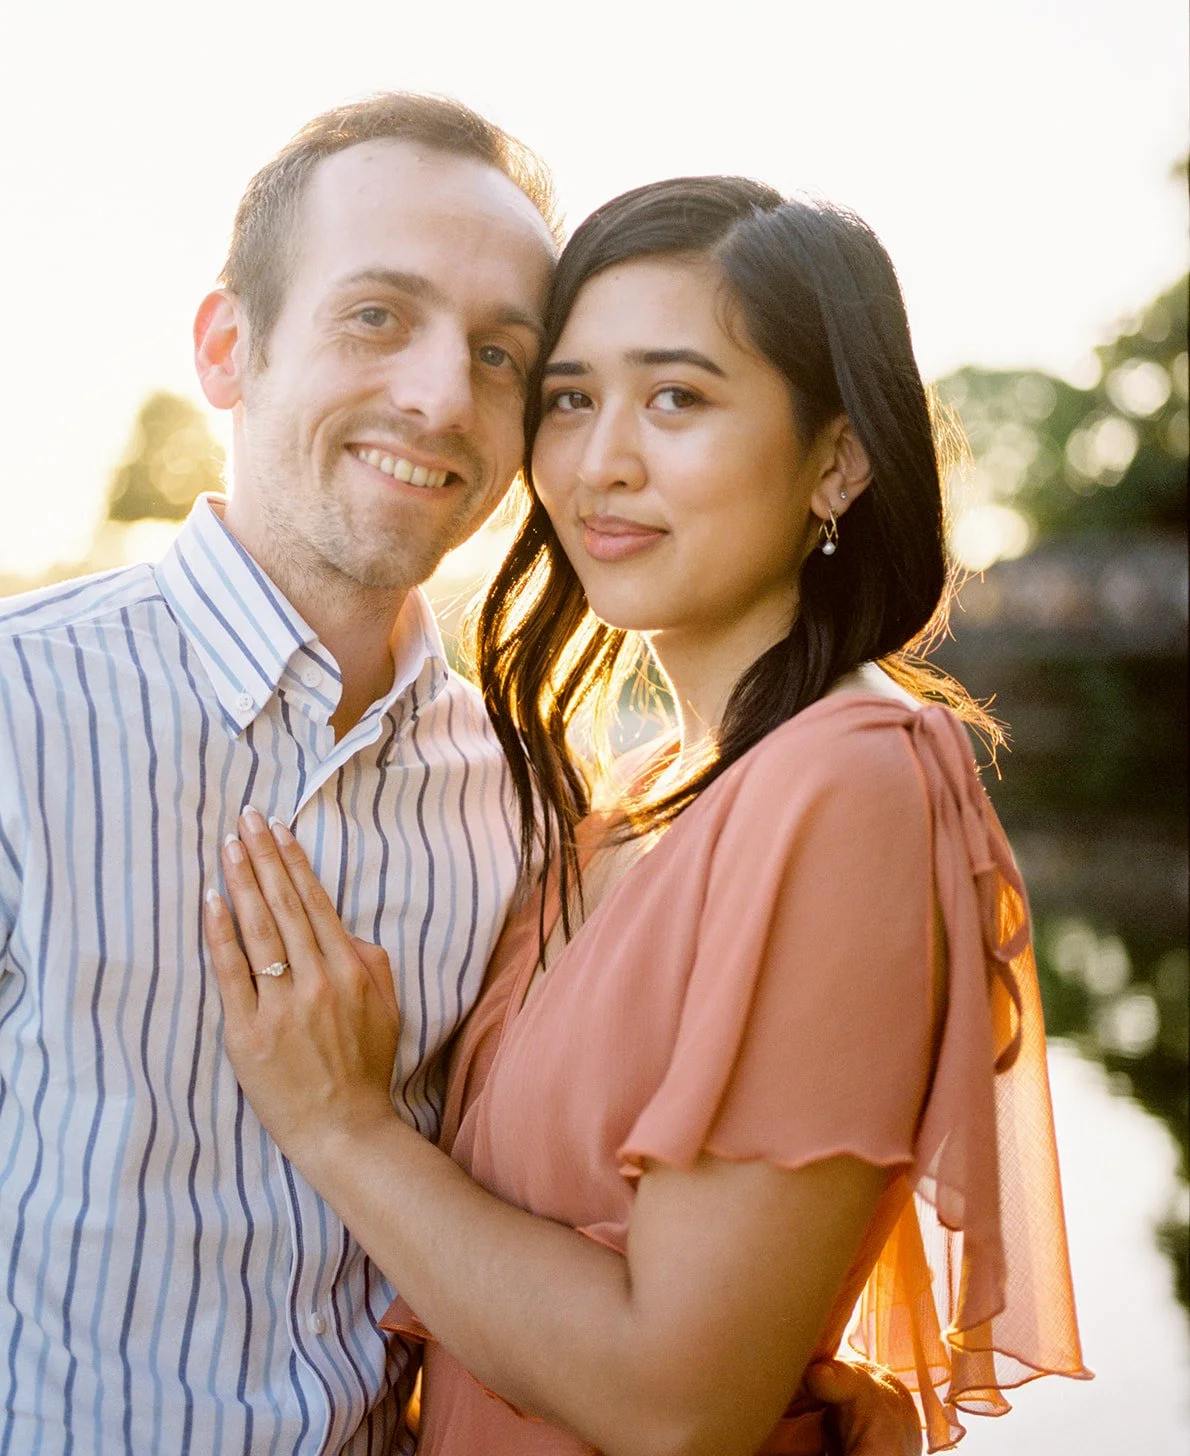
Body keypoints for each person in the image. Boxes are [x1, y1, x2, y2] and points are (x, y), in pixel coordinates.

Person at [0, 102, 914, 1454]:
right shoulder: (22, 714)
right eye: (378, 315)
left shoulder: (531, 792)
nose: (440, 396)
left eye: (501, 355)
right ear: (227, 347)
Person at [204, 177, 1090, 1455]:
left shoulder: (850, 780)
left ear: (834, 458)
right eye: (568, 398)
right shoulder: (618, 804)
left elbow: (673, 1402)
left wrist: (339, 1126)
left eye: (676, 396)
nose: (598, 460)